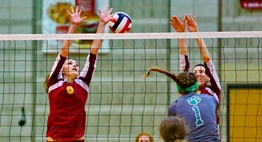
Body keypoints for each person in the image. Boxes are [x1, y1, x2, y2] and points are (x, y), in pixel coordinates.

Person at [43, 5, 113, 142]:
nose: (75, 65)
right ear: (61, 69)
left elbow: (94, 50)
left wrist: (102, 24)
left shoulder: (83, 83)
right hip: (55, 139)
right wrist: (73, 25)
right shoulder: (54, 81)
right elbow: (64, 51)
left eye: (76, 64)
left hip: (77, 139)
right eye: (70, 63)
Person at [169, 14, 221, 124]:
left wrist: (196, 33)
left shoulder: (214, 89)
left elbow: (207, 59)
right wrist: (181, 34)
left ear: (209, 77)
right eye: (195, 72)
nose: (198, 74)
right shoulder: (187, 90)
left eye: (201, 72)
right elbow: (183, 61)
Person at [144, 68, 220, 141]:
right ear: (196, 86)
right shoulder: (211, 99)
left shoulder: (174, 107)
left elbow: (172, 132)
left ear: (178, 89)